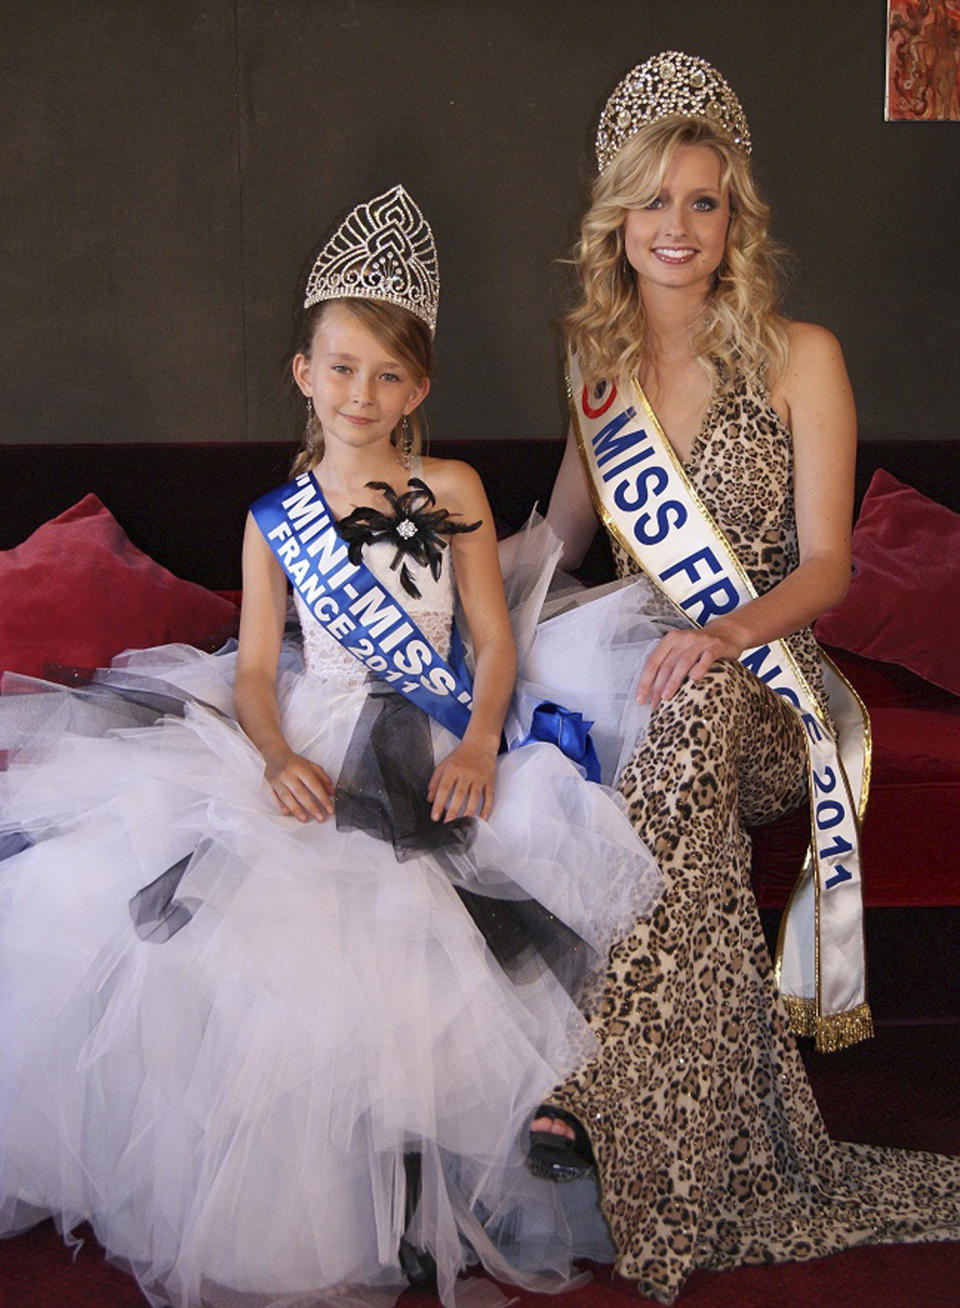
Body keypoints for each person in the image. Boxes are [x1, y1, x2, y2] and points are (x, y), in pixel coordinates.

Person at [0, 185, 664, 1307]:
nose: (363, 393)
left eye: (388, 375)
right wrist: (271, 756)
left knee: (461, 940)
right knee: (287, 937)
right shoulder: (272, 520)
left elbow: (493, 645)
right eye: (341, 368)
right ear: (305, 373)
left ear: (421, 389)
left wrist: (483, 745)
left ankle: (446, 1187)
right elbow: (258, 673)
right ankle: (336, 1198)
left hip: (447, 731)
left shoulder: (449, 489)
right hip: (319, 732)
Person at [525, 51, 960, 1304]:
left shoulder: (800, 355)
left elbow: (829, 568)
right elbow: (557, 545)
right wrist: (420, 553)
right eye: (654, 202)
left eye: (703, 202)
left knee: (694, 713)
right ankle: (655, 1128)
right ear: (617, 218)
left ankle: (596, 1107)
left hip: (771, 676)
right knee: (568, 744)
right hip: (638, 662)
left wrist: (724, 635)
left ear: (735, 219)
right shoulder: (596, 377)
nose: (677, 228)